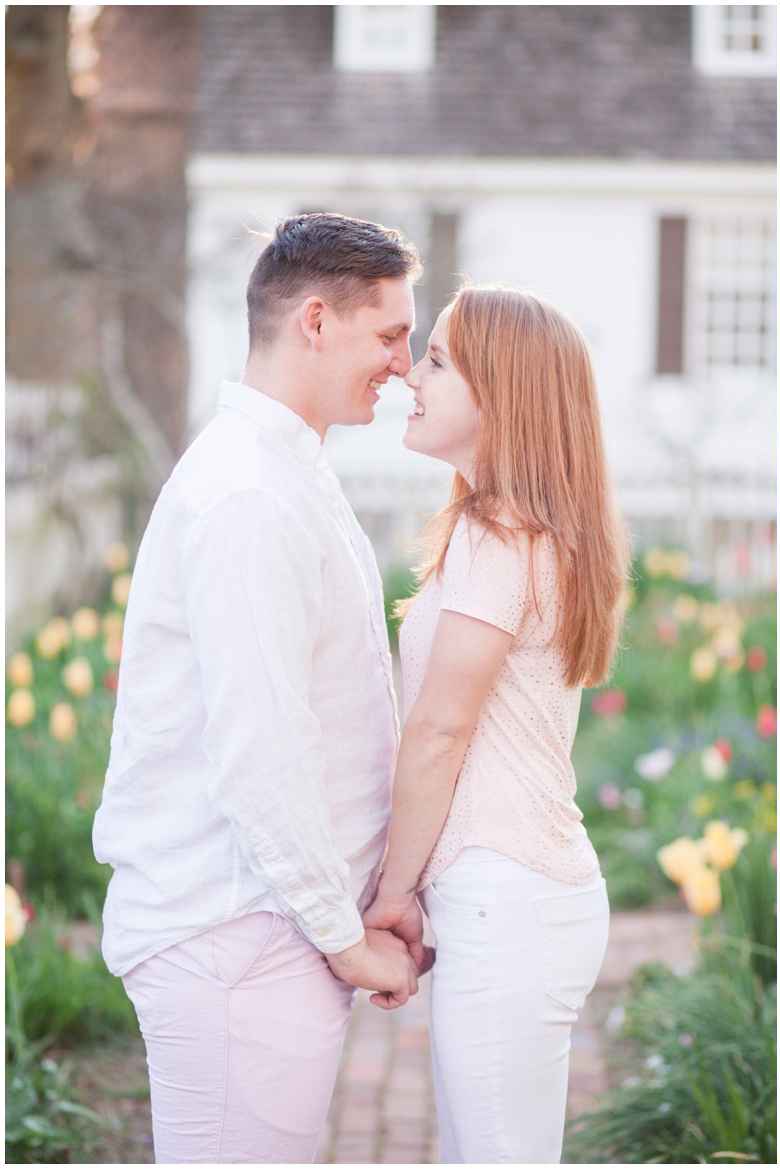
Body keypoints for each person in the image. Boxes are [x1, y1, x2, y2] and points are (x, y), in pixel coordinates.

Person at [93, 213, 429, 1163]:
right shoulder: (248, 493)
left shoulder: (287, 470)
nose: (404, 366)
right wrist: (342, 934)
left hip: (268, 930)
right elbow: (261, 750)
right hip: (238, 931)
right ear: (315, 322)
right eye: (391, 336)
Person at [361, 285, 630, 1163]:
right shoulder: (539, 533)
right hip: (530, 897)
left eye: (438, 359)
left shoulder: (498, 533)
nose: (411, 372)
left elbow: (440, 731)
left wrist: (393, 896)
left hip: (505, 902)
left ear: (501, 393)